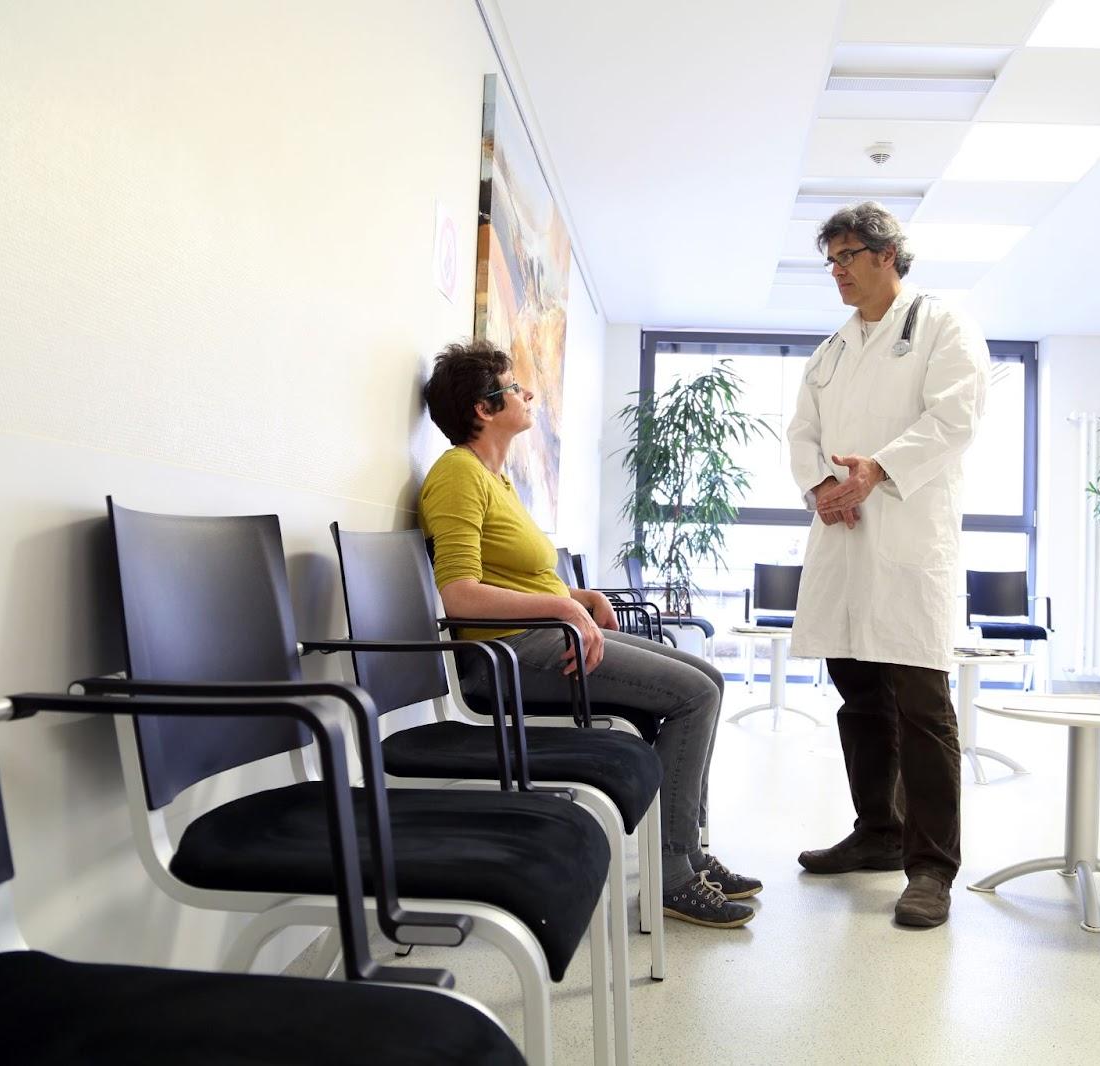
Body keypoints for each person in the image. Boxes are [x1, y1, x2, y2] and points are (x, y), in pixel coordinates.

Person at [418, 338, 760, 929]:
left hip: (544, 638)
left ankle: (690, 851)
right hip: (505, 658)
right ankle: (673, 876)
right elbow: (458, 593)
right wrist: (561, 607)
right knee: (695, 694)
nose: (527, 394)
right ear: (484, 406)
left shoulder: (497, 480)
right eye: (515, 386)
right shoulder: (456, 474)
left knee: (705, 675)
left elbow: (515, 575)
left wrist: (580, 598)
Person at [786, 202, 989, 928]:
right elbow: (802, 432)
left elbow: (955, 418)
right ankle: (878, 831)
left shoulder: (943, 325)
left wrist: (878, 470)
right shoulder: (831, 351)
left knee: (923, 709)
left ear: (887, 255)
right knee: (859, 698)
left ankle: (932, 866)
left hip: (907, 539)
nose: (837, 271)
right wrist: (819, 486)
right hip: (844, 539)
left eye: (848, 256)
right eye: (831, 259)